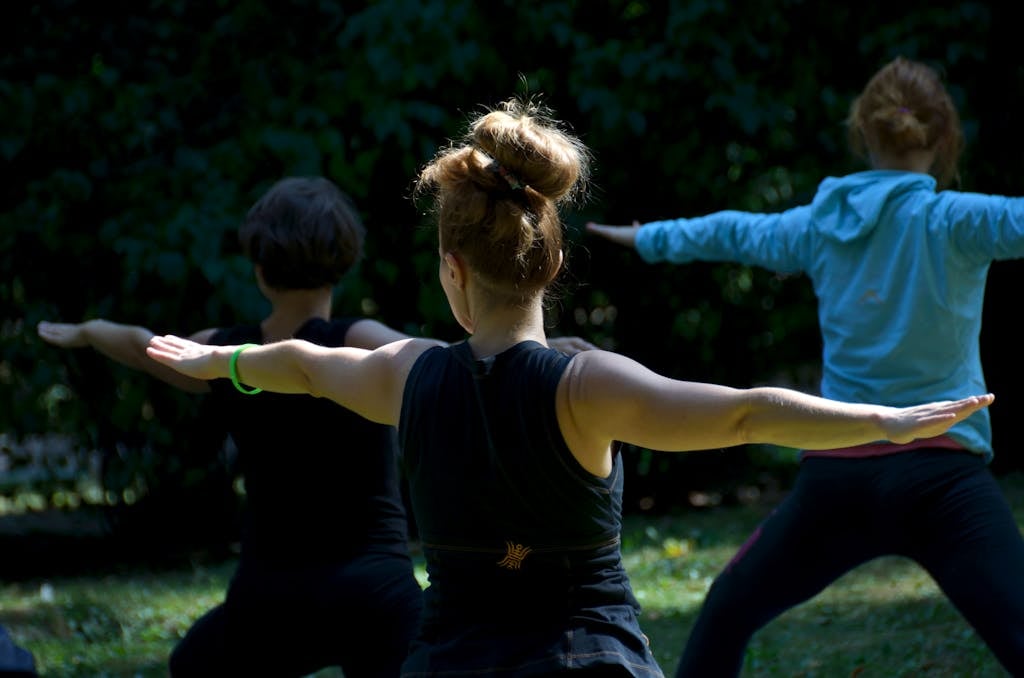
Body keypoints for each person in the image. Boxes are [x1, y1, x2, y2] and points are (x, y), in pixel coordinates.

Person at [143, 96, 994, 677]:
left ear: (452, 270)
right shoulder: (587, 388)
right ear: (552, 263)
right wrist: (886, 417)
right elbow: (744, 415)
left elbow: (303, 365)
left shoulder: (408, 375)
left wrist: (217, 363)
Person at [586, 55, 1024, 676]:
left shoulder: (825, 225)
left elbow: (732, 233)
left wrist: (648, 237)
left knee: (726, 611)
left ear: (863, 131)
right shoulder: (956, 221)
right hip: (941, 480)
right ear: (944, 136)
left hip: (839, 480)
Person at [37, 176, 428, 677]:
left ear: (260, 269)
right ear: (345, 262)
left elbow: (143, 346)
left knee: (192, 664)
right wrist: (539, 353)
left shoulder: (222, 353)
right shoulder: (354, 338)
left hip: (270, 594)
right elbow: (437, 361)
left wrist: (90, 332)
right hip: (374, 591)